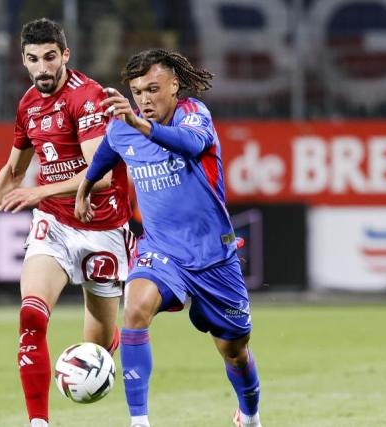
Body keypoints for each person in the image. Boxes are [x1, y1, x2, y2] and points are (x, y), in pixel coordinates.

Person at [0, 18, 132, 427]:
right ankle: (38, 422)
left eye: (50, 57)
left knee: (97, 350)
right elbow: (14, 172)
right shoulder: (28, 103)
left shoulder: (87, 98)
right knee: (31, 315)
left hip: (103, 227)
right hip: (55, 225)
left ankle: (109, 342)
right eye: (34, 59)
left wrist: (40, 191)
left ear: (65, 55)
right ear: (24, 61)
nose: (43, 67)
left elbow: (99, 174)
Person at [75, 49, 263, 427]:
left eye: (153, 89)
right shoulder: (123, 127)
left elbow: (189, 144)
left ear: (174, 86)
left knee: (234, 349)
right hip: (162, 252)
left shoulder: (194, 115)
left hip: (213, 256)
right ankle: (139, 420)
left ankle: (250, 414)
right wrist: (85, 187)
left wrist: (140, 125)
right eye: (137, 91)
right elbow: (106, 156)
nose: (144, 99)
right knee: (135, 307)